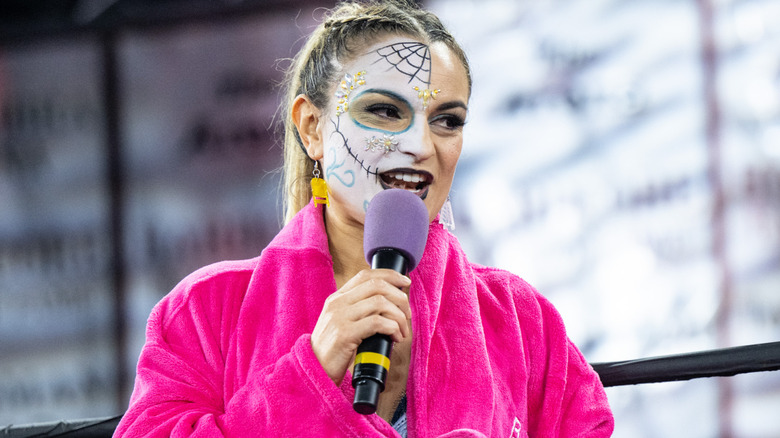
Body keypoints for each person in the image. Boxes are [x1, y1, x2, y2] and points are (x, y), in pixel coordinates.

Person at [114, 0, 614, 436]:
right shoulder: (205, 311)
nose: (419, 146)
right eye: (384, 111)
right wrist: (308, 374)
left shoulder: (520, 320)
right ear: (312, 129)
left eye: (447, 120)